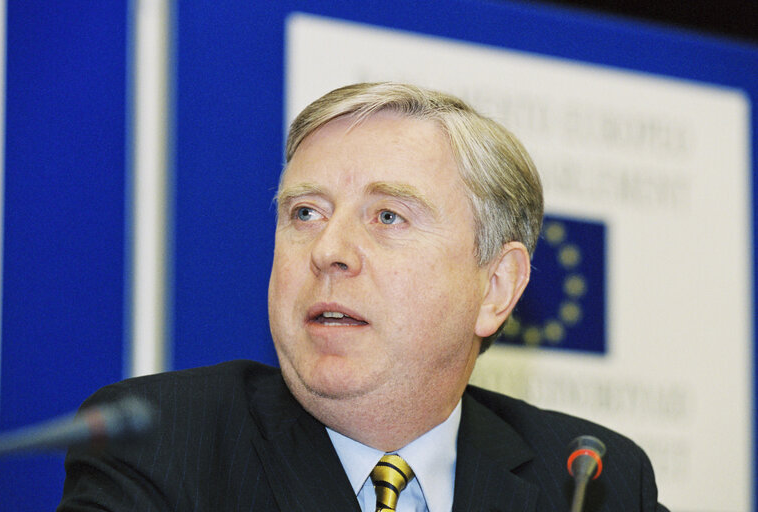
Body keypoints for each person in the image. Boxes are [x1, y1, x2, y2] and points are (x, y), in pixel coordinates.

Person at [58, 82, 668, 511]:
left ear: (497, 286)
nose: (329, 249)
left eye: (388, 216)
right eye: (304, 212)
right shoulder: (161, 445)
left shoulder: (591, 479)